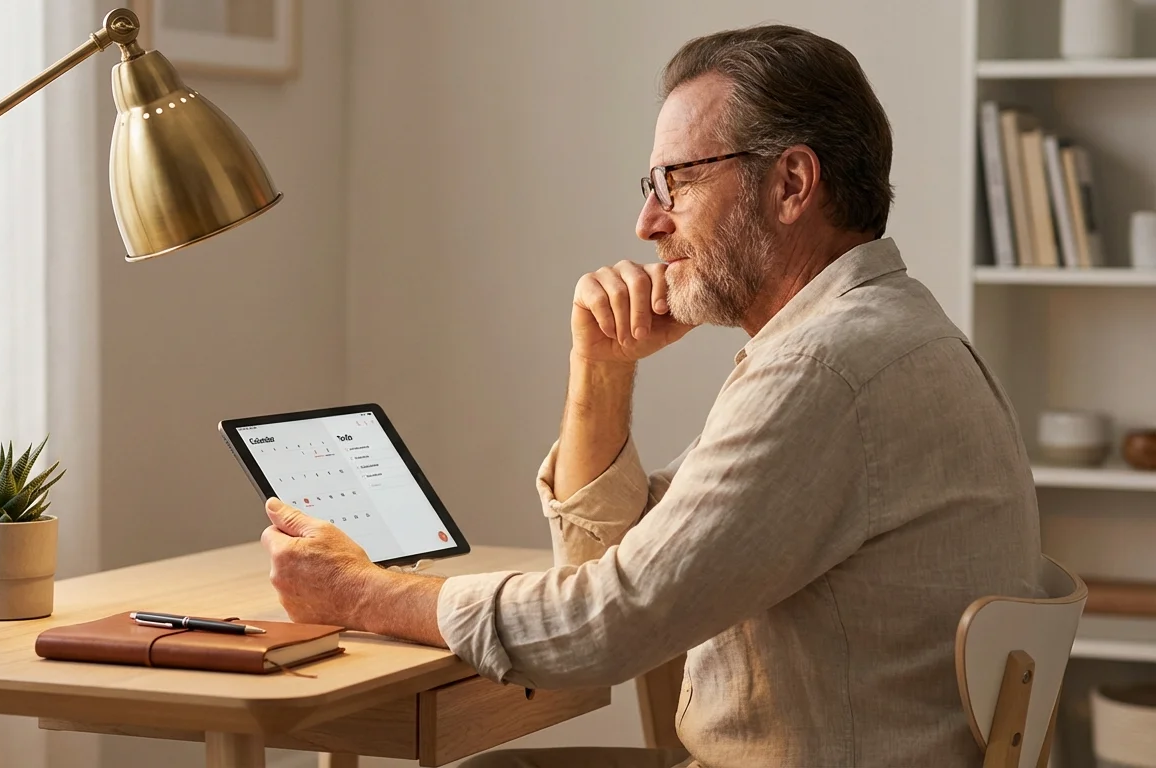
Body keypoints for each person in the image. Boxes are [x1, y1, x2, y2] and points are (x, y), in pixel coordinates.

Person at [259, 23, 1041, 768]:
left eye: (677, 181)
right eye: (650, 184)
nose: (646, 223)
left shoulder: (825, 368)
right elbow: (624, 562)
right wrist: (600, 370)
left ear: (792, 184)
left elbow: (603, 627)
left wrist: (360, 592)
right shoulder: (877, 331)